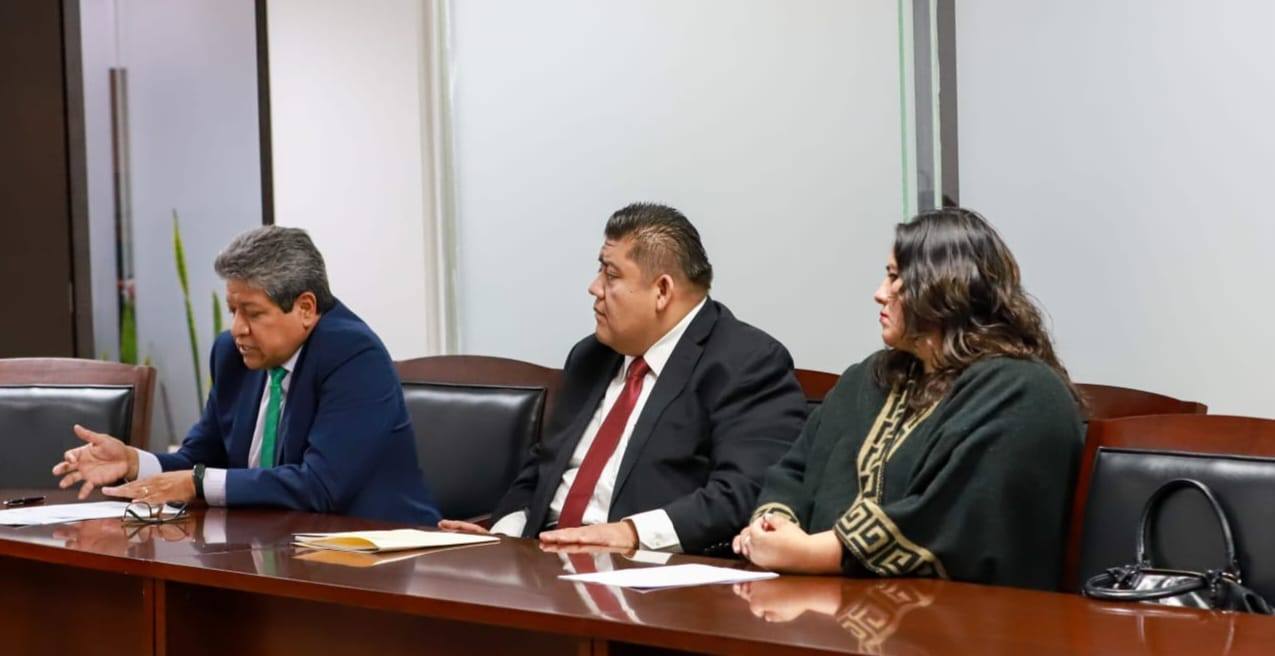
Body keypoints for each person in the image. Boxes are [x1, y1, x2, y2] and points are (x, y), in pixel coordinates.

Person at [734, 207, 1082, 590]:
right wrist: (772, 528)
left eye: (894, 277)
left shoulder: (1024, 391)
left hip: (964, 613)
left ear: (941, 286)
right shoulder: (869, 378)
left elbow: (958, 520)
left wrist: (812, 553)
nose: (879, 294)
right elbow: (793, 471)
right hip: (821, 601)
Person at [441, 203, 807, 554]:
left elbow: (746, 492)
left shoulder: (746, 362)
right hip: (544, 563)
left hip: (646, 573)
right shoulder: (592, 356)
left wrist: (629, 533)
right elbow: (542, 470)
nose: (594, 287)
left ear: (662, 291)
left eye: (611, 275)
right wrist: (504, 539)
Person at [52, 226, 439, 525]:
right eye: (233, 311)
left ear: (305, 308)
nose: (237, 329)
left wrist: (197, 483)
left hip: (375, 558)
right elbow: (198, 458)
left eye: (252, 313)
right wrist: (134, 462)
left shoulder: (353, 355)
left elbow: (321, 486)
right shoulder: (232, 356)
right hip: (271, 548)